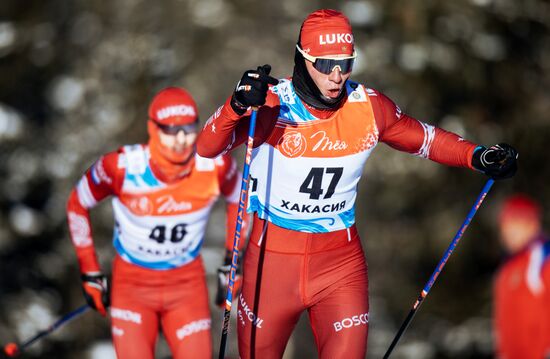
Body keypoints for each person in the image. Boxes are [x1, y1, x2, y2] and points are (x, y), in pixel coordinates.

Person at [196, 9, 518, 359]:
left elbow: (424, 139)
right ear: (303, 60)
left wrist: (479, 156)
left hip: (339, 266)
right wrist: (236, 105)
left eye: (346, 63)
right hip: (271, 264)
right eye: (324, 64)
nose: (336, 76)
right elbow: (207, 147)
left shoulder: (367, 107)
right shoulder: (272, 103)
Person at [66, 87, 246, 358]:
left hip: (186, 285)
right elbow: (77, 204)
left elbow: (241, 202)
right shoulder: (121, 167)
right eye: (171, 131)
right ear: (153, 128)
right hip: (133, 286)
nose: (182, 140)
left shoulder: (214, 165)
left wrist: (232, 261)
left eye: (188, 129)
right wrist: (90, 270)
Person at [493, 194, 550, 359]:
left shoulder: (541, 257)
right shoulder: (508, 266)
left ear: (532, 224)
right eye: (505, 224)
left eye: (516, 223)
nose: (508, 231)